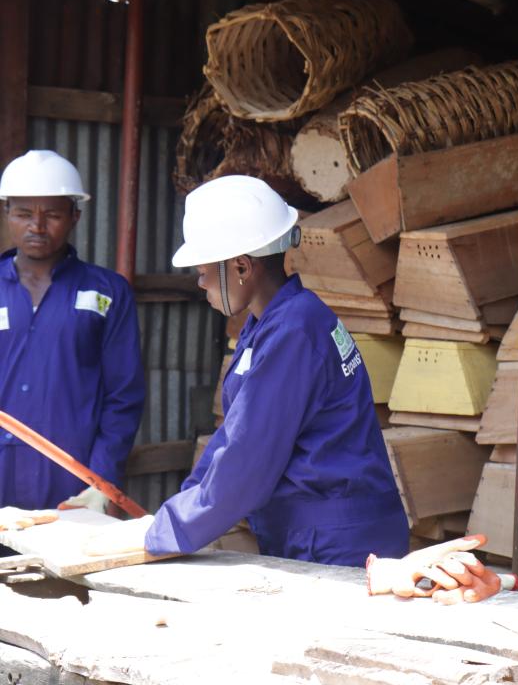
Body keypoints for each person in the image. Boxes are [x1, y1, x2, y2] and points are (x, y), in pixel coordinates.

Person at [86, 175, 408, 566]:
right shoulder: (272, 323)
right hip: (317, 531)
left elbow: (247, 463)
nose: (199, 281)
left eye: (203, 268)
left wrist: (163, 533)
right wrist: (176, 510)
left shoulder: (293, 332)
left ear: (241, 266)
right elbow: (233, 436)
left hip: (338, 543)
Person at [0, 149, 144, 513]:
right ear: (6, 213)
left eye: (52, 214)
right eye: (23, 213)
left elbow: (123, 398)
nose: (37, 226)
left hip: (71, 482)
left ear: (75, 216)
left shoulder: (108, 292)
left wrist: (101, 482)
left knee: (61, 572)